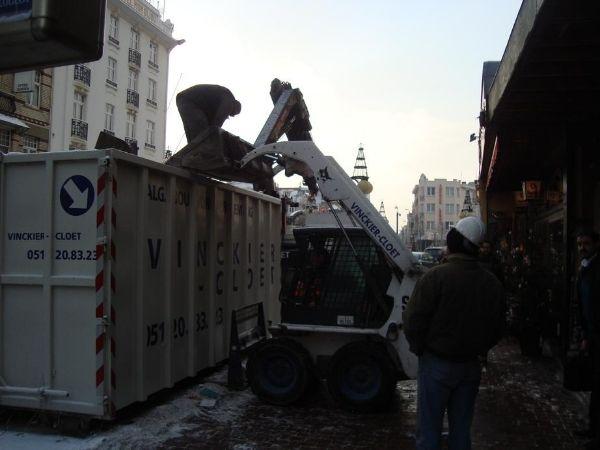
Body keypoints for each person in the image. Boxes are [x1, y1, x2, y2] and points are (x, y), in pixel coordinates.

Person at [403, 216, 505, 450]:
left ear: (453, 242)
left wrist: (421, 349)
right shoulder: (491, 283)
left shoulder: (435, 277)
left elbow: (413, 320)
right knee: (461, 432)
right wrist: (480, 349)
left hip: (436, 362)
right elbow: (498, 327)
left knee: (429, 432)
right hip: (470, 366)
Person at [575, 230, 600, 448]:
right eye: (579, 244)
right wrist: (584, 333)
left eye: (586, 243)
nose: (582, 248)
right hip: (591, 334)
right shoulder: (585, 267)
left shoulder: (594, 269)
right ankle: (593, 427)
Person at [175, 84, 241, 144]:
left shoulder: (223, 99)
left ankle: (195, 150)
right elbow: (217, 123)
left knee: (198, 134)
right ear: (235, 106)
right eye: (233, 113)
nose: (231, 115)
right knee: (201, 130)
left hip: (188, 99)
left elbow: (213, 123)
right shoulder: (229, 101)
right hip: (189, 100)